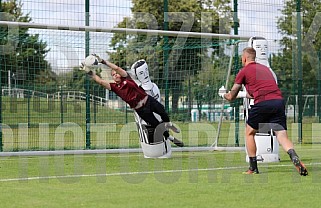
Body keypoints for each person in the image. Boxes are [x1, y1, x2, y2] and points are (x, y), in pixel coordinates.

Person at [218, 47, 308, 176]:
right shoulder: (265, 70)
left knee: (249, 133)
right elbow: (254, 93)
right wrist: (242, 94)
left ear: (244, 58)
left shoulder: (243, 71)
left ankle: (253, 167)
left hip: (263, 103)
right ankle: (294, 156)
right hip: (278, 102)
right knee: (282, 136)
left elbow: (231, 96)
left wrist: (223, 94)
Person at [79, 54, 183, 147]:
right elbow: (100, 81)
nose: (115, 75)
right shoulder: (115, 87)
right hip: (141, 110)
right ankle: (172, 139)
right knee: (156, 125)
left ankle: (168, 123)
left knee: (162, 111)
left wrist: (103, 61)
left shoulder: (126, 78)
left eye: (116, 73)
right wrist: (88, 71)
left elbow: (117, 68)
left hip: (148, 100)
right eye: (113, 75)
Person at [130, 59, 184, 147]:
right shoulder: (139, 92)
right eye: (141, 73)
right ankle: (172, 138)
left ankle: (169, 126)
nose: (145, 74)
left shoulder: (154, 87)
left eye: (146, 71)